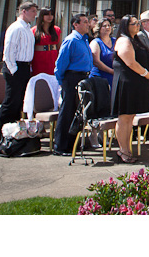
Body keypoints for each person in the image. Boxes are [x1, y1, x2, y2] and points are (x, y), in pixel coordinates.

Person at [110, 15, 149, 163]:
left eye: (138, 23)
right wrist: (146, 74)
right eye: (134, 23)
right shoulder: (124, 40)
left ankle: (127, 148)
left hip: (136, 83)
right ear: (125, 25)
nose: (137, 25)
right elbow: (130, 62)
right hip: (126, 83)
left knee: (130, 118)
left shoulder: (136, 39)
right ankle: (122, 150)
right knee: (124, 117)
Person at [0, 1, 38, 144]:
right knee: (10, 101)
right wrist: (13, 70)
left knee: (18, 101)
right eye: (32, 11)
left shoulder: (27, 29)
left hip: (25, 66)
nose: (35, 14)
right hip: (15, 67)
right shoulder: (15, 28)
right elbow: (9, 51)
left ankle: (13, 132)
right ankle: (1, 134)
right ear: (24, 11)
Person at [52, 13, 93, 155]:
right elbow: (60, 64)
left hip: (83, 77)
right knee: (67, 112)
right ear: (75, 24)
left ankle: (72, 143)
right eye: (85, 22)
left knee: (77, 113)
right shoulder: (71, 40)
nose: (88, 24)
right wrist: (63, 82)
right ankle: (60, 146)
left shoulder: (84, 40)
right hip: (71, 78)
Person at [31, 8, 61, 77]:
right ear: (42, 16)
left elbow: (59, 46)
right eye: (47, 14)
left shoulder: (57, 29)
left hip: (53, 57)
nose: (50, 17)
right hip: (39, 58)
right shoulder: (34, 30)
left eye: (51, 14)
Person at [89, 18, 116, 89]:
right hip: (100, 78)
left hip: (114, 77)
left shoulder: (115, 41)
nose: (107, 27)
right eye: (104, 26)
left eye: (109, 25)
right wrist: (112, 71)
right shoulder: (96, 42)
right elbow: (96, 62)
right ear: (99, 28)